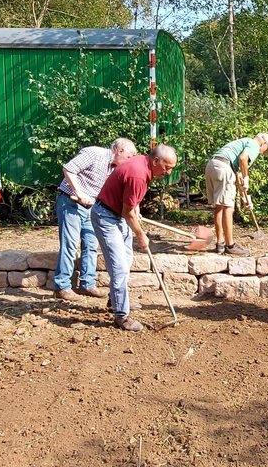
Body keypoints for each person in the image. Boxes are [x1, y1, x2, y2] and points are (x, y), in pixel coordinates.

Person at [90, 144, 178, 332]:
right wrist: (141, 234)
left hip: (117, 215)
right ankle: (121, 316)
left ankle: (115, 299)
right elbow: (127, 211)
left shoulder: (143, 164)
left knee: (127, 259)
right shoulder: (138, 174)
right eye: (167, 167)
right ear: (155, 161)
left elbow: (129, 201)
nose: (168, 172)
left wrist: (134, 208)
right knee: (119, 267)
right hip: (106, 217)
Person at [53, 137, 137, 301]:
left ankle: (87, 284)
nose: (130, 162)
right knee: (70, 245)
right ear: (119, 151)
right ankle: (62, 287)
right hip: (70, 202)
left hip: (92, 207)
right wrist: (80, 193)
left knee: (91, 245)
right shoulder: (94, 153)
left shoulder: (117, 170)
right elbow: (69, 169)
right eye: (129, 157)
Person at [205, 133, 268, 256]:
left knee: (219, 206)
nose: (263, 153)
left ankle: (220, 243)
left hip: (212, 165)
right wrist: (246, 177)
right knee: (228, 207)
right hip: (224, 167)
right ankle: (230, 246)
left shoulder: (243, 142)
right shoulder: (254, 144)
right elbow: (243, 159)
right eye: (265, 150)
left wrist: (245, 198)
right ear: (264, 143)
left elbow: (237, 175)